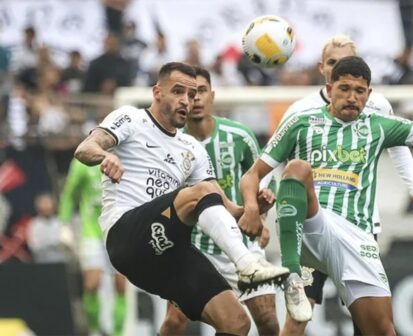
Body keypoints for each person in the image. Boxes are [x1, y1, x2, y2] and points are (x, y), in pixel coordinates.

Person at [239, 55, 413, 334]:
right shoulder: (301, 123)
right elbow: (252, 175)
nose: (352, 97)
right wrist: (251, 209)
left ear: (369, 93)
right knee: (298, 169)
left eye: (359, 91)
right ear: (329, 90)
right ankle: (292, 278)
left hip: (357, 237)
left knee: (382, 330)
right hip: (314, 225)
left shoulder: (377, 126)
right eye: (344, 89)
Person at [74, 62, 289, 335]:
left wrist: (250, 209)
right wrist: (106, 156)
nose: (186, 101)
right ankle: (247, 264)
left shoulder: (193, 149)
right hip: (127, 237)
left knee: (236, 322)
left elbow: (219, 205)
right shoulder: (131, 118)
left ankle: (246, 264)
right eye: (178, 92)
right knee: (199, 192)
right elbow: (85, 147)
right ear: (157, 92)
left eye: (191, 94)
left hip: (165, 248)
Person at [278, 34, 413, 334]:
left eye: (349, 62)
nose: (342, 68)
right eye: (334, 63)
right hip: (311, 227)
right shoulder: (300, 111)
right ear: (322, 68)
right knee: (299, 314)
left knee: (368, 324)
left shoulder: (375, 106)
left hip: (358, 228)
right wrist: (268, 198)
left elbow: (399, 146)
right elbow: (279, 161)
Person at [159, 67, 280, 335]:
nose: (197, 99)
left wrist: (261, 216)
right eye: (190, 94)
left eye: (201, 91)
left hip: (243, 245)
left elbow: (261, 177)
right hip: (195, 248)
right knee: (174, 323)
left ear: (212, 95)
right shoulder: (173, 145)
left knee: (268, 320)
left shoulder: (239, 135)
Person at [58, 158, 127, 336]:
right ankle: (94, 331)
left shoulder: (127, 156)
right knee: (91, 284)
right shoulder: (83, 162)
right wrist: (64, 224)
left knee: (121, 286)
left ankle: (117, 333)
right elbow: (69, 193)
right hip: (91, 232)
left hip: (119, 232)